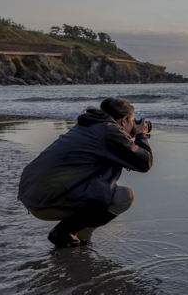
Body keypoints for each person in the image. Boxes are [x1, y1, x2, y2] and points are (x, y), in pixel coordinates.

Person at [18, 97, 153, 248]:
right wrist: (142, 136)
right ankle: (63, 232)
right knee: (124, 197)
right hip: (45, 202)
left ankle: (81, 233)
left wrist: (127, 138)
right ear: (123, 121)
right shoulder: (109, 130)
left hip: (32, 195)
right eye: (132, 121)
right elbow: (145, 162)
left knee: (103, 188)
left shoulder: (88, 125)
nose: (134, 126)